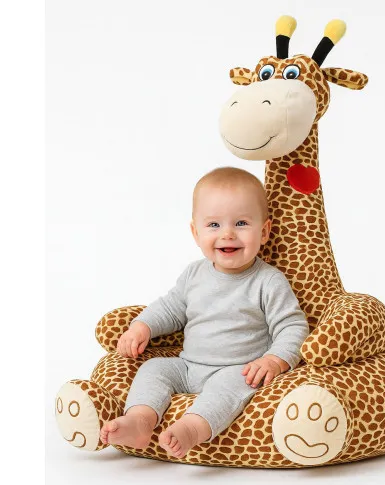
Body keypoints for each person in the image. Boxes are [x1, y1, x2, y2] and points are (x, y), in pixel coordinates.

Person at [100, 167, 309, 458]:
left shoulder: (268, 281)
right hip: (188, 367)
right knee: (153, 369)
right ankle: (140, 420)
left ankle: (191, 428)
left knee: (228, 389)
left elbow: (292, 326)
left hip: (238, 369)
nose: (228, 234)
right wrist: (142, 327)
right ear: (196, 233)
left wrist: (274, 360)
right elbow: (170, 308)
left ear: (264, 232)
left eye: (241, 223)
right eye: (213, 225)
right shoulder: (194, 274)